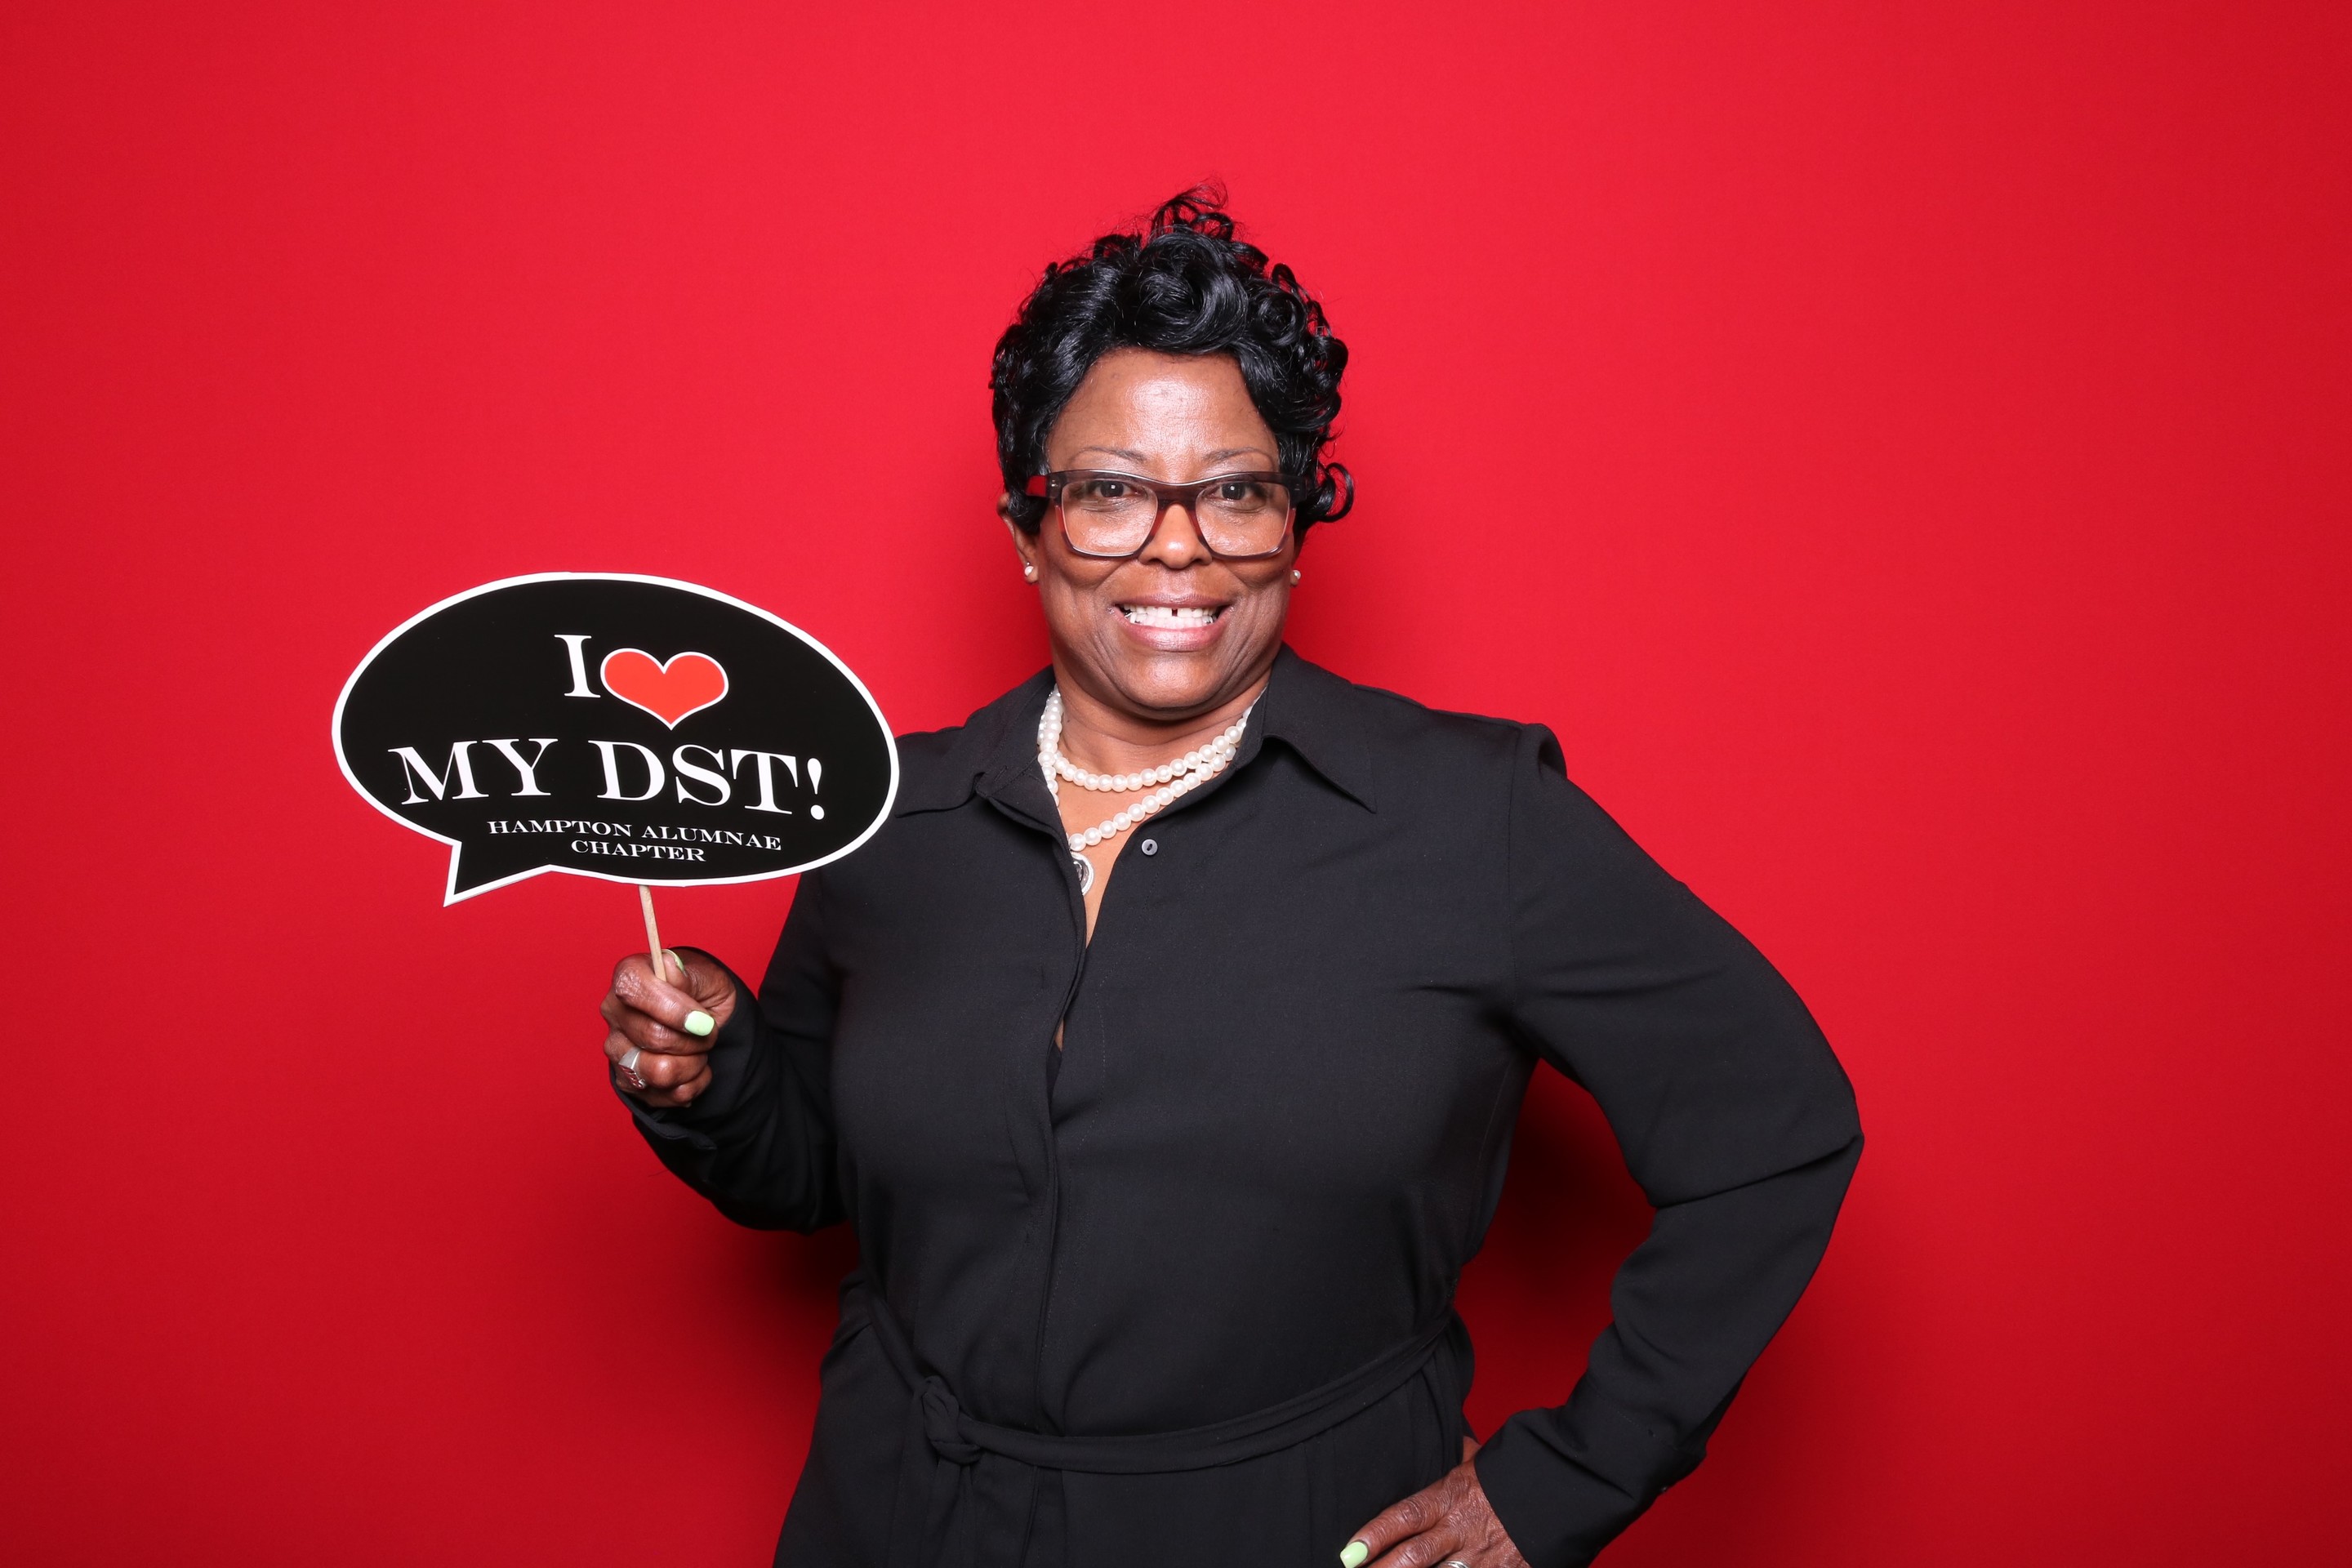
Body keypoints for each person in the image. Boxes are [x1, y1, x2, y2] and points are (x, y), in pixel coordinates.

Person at [598, 190, 1861, 1568]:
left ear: (1296, 527)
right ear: (1027, 525)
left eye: (1236, 491)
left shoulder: (1471, 817)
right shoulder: (888, 813)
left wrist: (1560, 1485)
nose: (1177, 543)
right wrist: (712, 1073)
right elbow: (811, 1174)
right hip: (898, 1518)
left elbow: (1774, 1126)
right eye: (1109, 491)